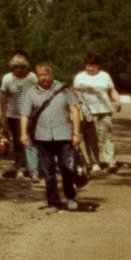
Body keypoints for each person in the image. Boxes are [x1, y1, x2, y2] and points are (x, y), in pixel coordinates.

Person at [19, 59, 84, 211]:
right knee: (48, 171)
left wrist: (76, 133)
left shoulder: (64, 90)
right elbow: (24, 115)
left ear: (51, 74)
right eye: (39, 75)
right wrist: (23, 133)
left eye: (45, 75)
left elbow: (75, 111)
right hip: (42, 136)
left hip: (64, 135)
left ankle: (70, 197)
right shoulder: (31, 93)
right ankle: (53, 203)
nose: (42, 78)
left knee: (66, 168)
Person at [73, 53, 120, 172]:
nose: (91, 68)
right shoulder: (80, 77)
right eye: (89, 65)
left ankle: (110, 161)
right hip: (88, 112)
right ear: (85, 65)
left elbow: (111, 90)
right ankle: (94, 162)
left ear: (97, 65)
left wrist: (118, 101)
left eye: (93, 65)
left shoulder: (105, 76)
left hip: (105, 110)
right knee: (91, 138)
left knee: (107, 136)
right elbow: (75, 93)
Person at [0, 54, 34, 178]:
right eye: (16, 67)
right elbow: (3, 96)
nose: (19, 70)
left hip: (29, 114)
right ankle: (20, 167)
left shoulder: (32, 77)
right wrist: (1, 114)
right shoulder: (7, 78)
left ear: (26, 67)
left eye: (22, 67)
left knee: (29, 141)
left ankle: (30, 167)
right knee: (18, 142)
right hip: (13, 114)